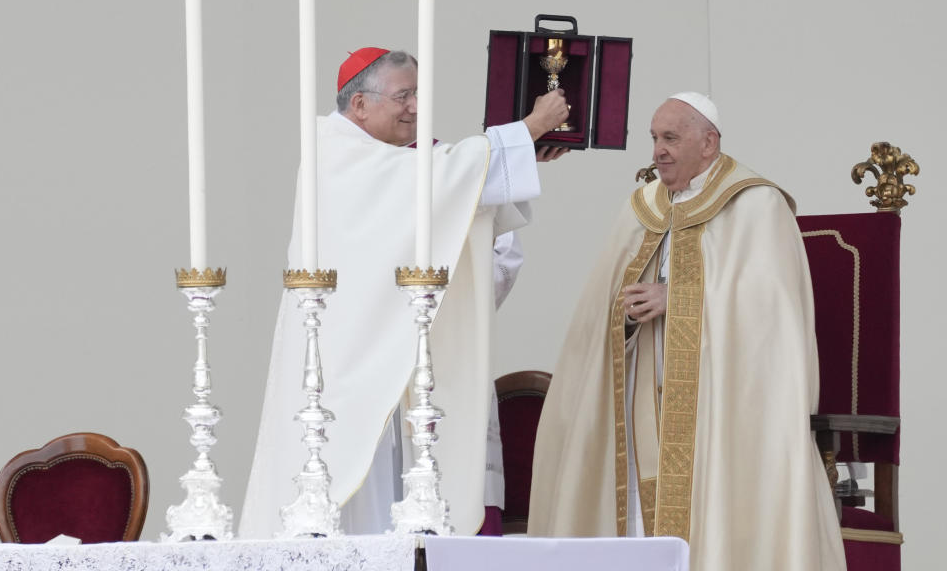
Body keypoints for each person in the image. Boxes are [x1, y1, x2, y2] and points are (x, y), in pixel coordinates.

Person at [240, 48, 569, 537]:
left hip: (393, 361)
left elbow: (444, 189)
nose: (416, 106)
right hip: (347, 368)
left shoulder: (392, 161)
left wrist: (519, 158)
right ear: (359, 106)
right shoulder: (340, 155)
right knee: (353, 501)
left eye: (418, 93)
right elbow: (432, 180)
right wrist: (527, 130)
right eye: (403, 95)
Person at [528, 93, 846, 571]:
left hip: (723, 409)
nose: (657, 151)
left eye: (671, 139)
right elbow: (601, 306)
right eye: (654, 138)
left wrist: (677, 300)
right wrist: (630, 314)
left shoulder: (757, 204)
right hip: (642, 408)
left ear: (709, 143)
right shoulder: (644, 206)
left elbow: (771, 315)